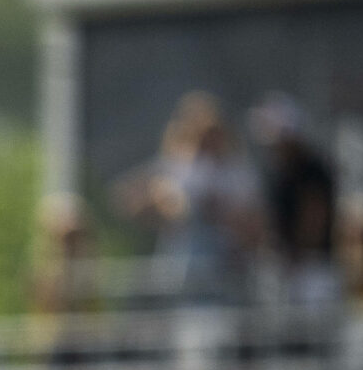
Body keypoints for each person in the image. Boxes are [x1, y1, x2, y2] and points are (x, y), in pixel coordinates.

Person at [113, 91, 259, 302]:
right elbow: (127, 198)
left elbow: (253, 222)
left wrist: (222, 214)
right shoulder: (176, 169)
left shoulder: (237, 172)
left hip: (228, 269)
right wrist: (163, 207)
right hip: (183, 270)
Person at [248, 95, 337, 310]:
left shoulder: (312, 169)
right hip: (287, 268)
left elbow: (315, 216)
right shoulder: (277, 172)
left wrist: (298, 254)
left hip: (313, 267)